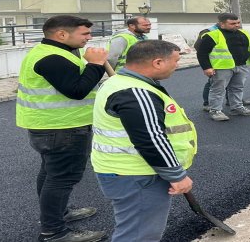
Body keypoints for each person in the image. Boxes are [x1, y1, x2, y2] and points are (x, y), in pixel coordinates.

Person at [92, 40, 196, 241]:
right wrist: (176, 175)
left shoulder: (118, 83)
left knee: (134, 230)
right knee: (139, 235)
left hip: (121, 171)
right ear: (158, 62)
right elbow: (150, 138)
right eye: (175, 61)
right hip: (138, 175)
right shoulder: (136, 92)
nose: (177, 65)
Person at [17, 15, 108, 242]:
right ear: (62, 34)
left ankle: (58, 214)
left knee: (50, 173)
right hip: (62, 128)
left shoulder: (52, 53)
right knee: (61, 178)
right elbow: (76, 90)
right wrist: (96, 65)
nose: (89, 38)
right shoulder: (52, 58)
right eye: (85, 34)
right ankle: (54, 232)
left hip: (52, 126)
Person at [196, 13, 250, 121]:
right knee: (218, 89)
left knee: (237, 88)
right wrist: (207, 67)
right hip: (222, 67)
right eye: (232, 23)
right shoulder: (212, 35)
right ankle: (215, 111)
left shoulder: (244, 33)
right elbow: (202, 53)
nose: (236, 25)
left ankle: (237, 108)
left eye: (238, 23)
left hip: (241, 66)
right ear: (222, 24)